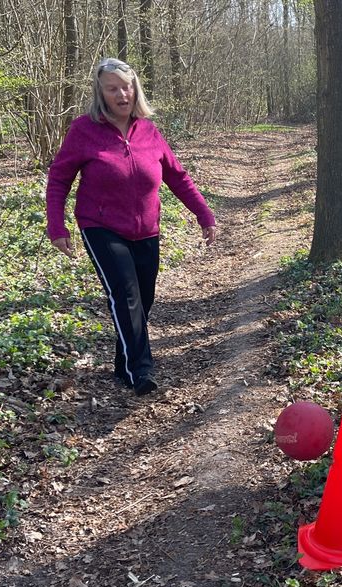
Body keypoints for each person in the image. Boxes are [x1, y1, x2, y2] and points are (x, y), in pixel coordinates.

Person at [46, 58, 218, 397]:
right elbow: (59, 179)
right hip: (101, 226)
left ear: (135, 88)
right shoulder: (84, 130)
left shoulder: (149, 131)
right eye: (113, 88)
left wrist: (204, 214)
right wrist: (57, 226)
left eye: (126, 87)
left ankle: (123, 360)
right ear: (101, 93)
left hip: (147, 229)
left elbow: (177, 177)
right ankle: (141, 370)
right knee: (125, 297)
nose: (122, 94)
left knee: (144, 298)